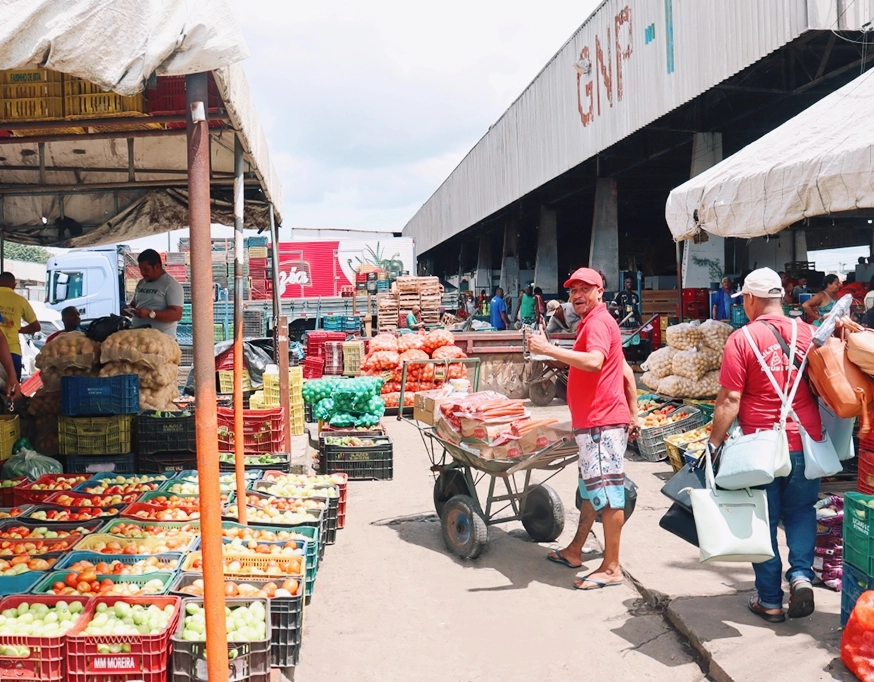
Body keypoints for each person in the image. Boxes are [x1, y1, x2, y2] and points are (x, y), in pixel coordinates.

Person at [707, 267, 821, 623]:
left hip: (761, 448)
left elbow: (729, 399)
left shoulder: (742, 339)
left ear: (752, 299)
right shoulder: (810, 333)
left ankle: (770, 601)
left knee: (763, 522)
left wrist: (713, 443)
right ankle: (801, 575)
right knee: (802, 511)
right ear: (781, 298)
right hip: (807, 442)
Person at [528, 267, 638, 589]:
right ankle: (576, 549)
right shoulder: (592, 323)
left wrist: (547, 349)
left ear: (600, 292)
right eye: (573, 290)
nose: (577, 295)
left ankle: (612, 567)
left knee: (609, 495)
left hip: (601, 424)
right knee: (591, 491)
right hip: (594, 424)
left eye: (584, 289)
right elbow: (625, 371)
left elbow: (594, 362)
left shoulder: (600, 322)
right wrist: (633, 414)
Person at [124, 249, 184, 338]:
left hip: (162, 341)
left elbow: (176, 315)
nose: (142, 273)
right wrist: (128, 310)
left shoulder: (171, 285)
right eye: (141, 269)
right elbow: (134, 304)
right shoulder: (142, 283)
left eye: (146, 269)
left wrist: (150, 314)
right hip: (140, 338)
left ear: (157, 266)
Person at [0, 273, 40, 381]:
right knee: (12, 390)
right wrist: (18, 329)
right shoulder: (20, 300)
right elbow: (36, 327)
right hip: (12, 351)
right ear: (14, 285)